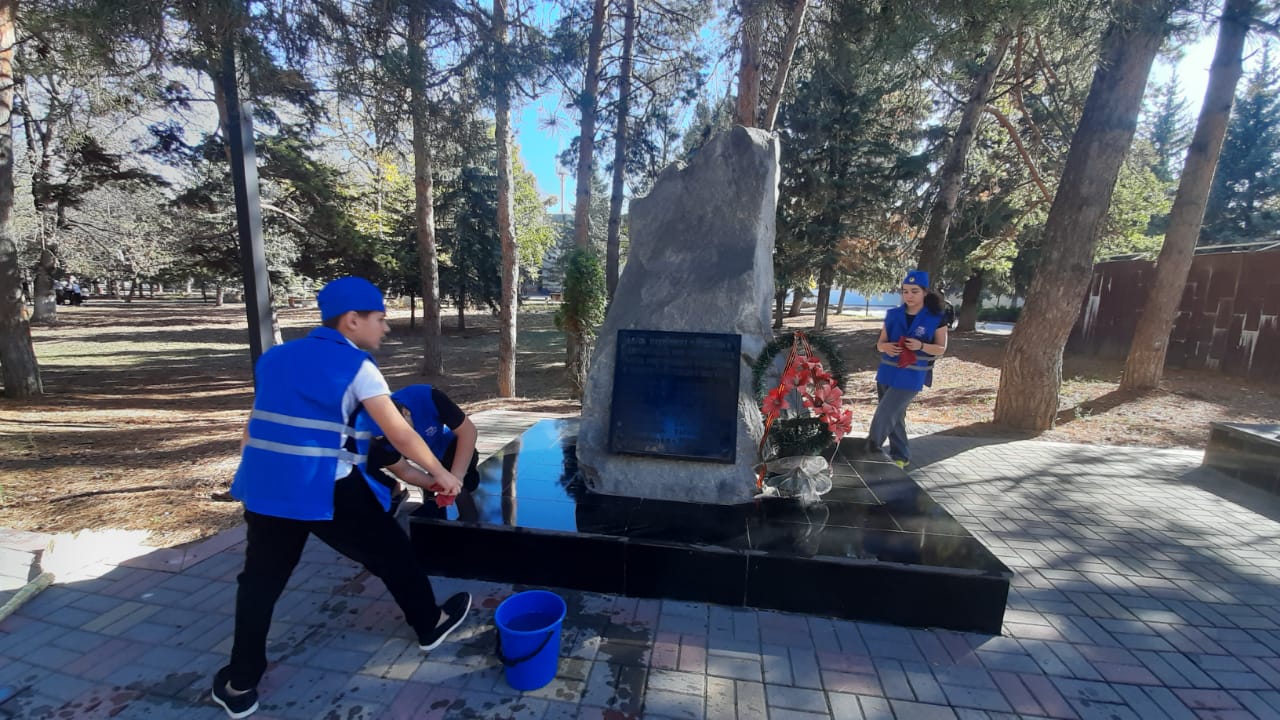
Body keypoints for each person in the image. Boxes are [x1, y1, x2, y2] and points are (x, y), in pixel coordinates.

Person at [210, 277, 471, 719]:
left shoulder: (275, 358)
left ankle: (240, 684)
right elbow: (400, 433)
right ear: (352, 321)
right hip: (326, 486)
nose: (385, 328)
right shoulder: (357, 367)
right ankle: (430, 625)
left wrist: (256, 474)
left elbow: (252, 427)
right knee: (392, 554)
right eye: (380, 319)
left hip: (266, 488)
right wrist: (443, 474)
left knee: (259, 584)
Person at [866, 270, 948, 469]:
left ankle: (868, 450)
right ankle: (901, 456)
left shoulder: (936, 318)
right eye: (905, 291)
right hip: (887, 371)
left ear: (925, 293)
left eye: (914, 291)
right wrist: (884, 347)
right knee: (896, 415)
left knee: (885, 412)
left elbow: (940, 349)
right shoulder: (893, 315)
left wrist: (920, 346)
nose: (909, 296)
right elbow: (880, 344)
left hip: (912, 375)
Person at [358, 385, 481, 513]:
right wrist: (434, 485)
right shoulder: (374, 433)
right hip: (393, 454)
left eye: (401, 432)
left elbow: (468, 432)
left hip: (439, 444)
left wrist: (456, 478)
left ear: (406, 412)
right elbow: (404, 470)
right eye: (391, 436)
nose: (399, 439)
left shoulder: (427, 397)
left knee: (469, 479)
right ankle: (394, 490)